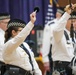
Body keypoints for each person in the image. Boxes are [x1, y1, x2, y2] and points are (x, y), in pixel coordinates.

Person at [41, 7, 64, 75]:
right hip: (53, 53)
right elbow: (46, 43)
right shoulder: (51, 25)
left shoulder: (67, 25)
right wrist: (45, 59)